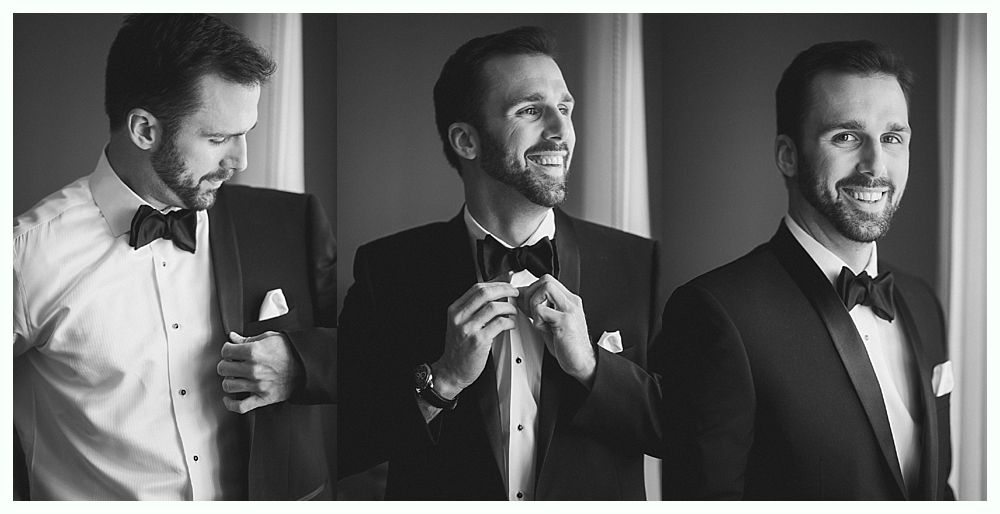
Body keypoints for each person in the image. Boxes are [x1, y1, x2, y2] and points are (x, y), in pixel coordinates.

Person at [13, 14, 336, 500]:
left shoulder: (289, 223)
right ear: (144, 129)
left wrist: (302, 363)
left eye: (245, 132)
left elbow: (371, 354)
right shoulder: (25, 256)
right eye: (218, 138)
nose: (240, 160)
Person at [338, 26, 663, 500]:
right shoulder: (386, 270)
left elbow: (683, 429)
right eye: (530, 110)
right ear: (467, 141)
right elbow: (347, 441)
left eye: (565, 109)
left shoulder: (636, 263)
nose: (561, 131)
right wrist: (442, 380)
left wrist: (593, 368)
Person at [652, 40, 954, 500]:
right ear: (788, 156)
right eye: (846, 137)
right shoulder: (716, 313)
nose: (876, 165)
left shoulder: (922, 302)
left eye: (893, 138)